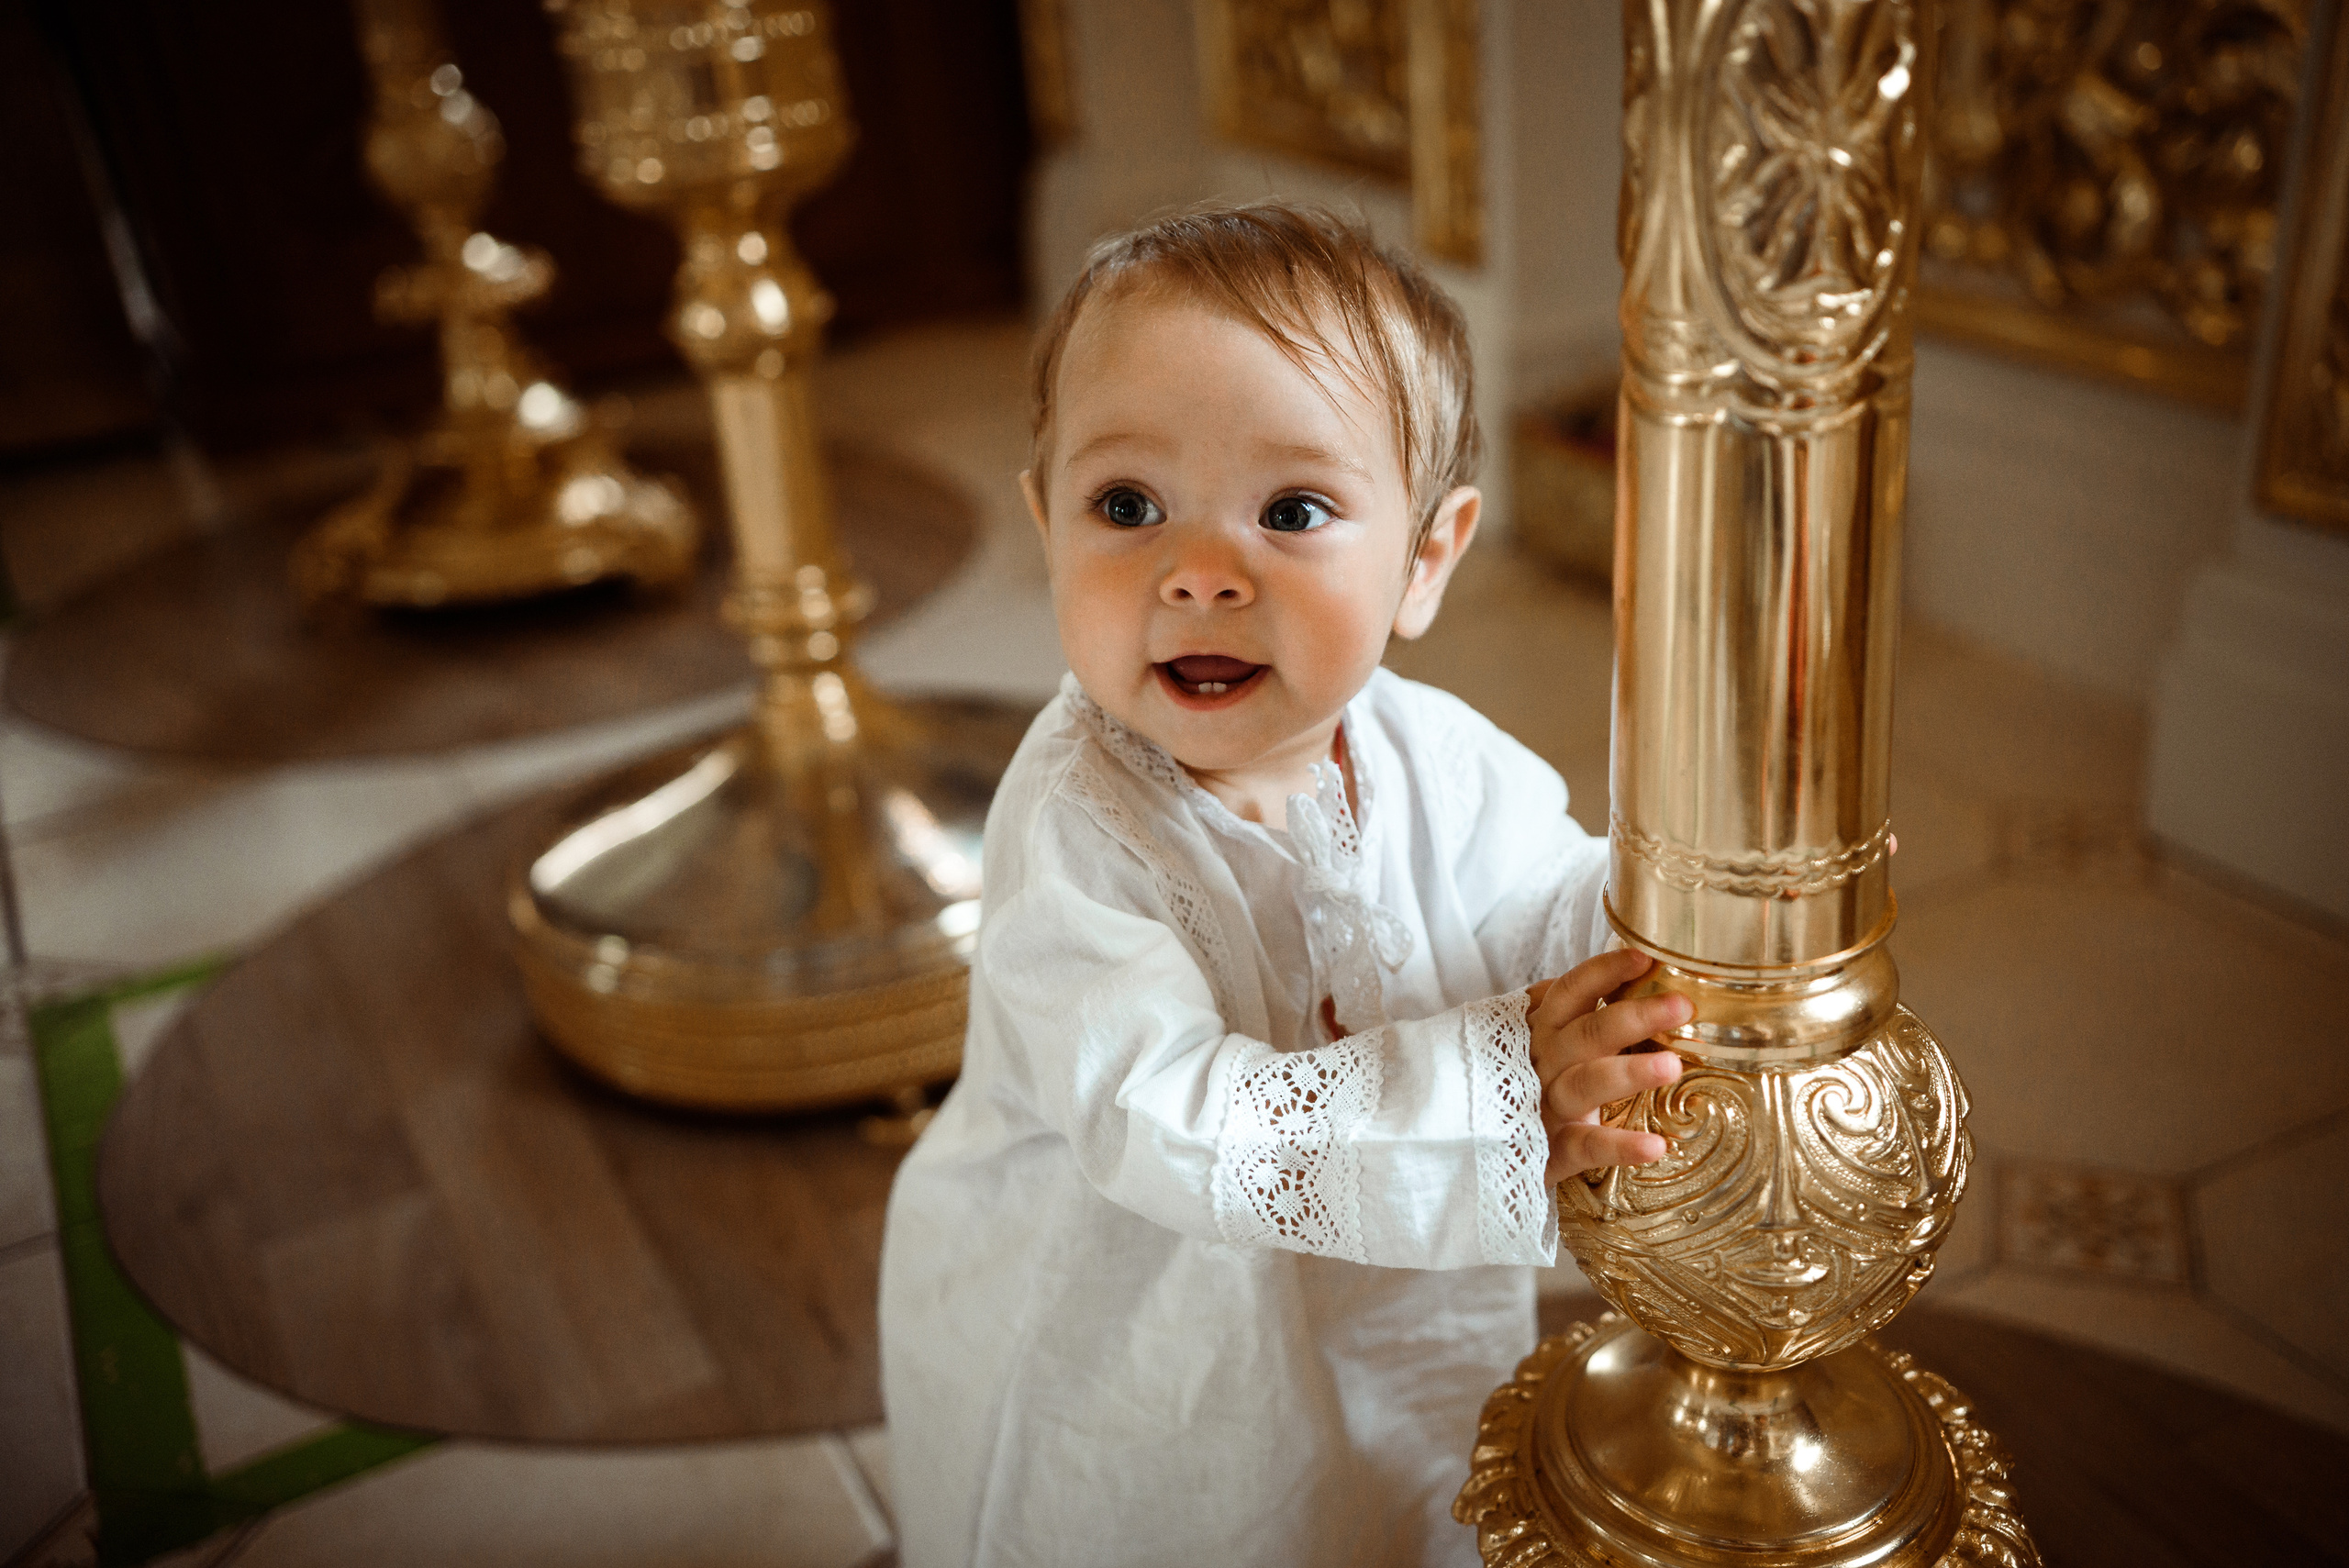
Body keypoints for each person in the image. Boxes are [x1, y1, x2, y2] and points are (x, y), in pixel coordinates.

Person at [876, 202, 1688, 1568]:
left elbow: (1552, 909)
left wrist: (1697, 901)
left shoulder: (1443, 761)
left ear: (1425, 558)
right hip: (1122, 1334)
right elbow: (1162, 1115)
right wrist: (1502, 1087)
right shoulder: (1078, 825)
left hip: (1373, 1292)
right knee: (1195, 1514)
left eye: (1293, 511)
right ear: (1045, 520)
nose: (1199, 573)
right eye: (1126, 506)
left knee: (1386, 1492)